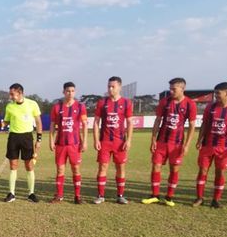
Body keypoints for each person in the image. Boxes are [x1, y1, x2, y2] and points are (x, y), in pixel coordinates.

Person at [141, 78, 197, 206]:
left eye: (174, 89)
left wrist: (187, 145)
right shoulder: (165, 102)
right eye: (170, 89)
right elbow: (157, 120)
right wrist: (153, 139)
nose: (171, 91)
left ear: (182, 89)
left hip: (177, 144)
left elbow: (192, 126)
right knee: (156, 166)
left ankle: (169, 197)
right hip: (161, 142)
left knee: (174, 169)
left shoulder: (190, 104)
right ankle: (155, 195)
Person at [194, 82, 227, 208]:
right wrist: (200, 140)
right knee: (203, 170)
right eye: (215, 93)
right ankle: (199, 198)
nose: (215, 96)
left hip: (224, 146)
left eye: (218, 93)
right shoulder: (210, 107)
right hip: (207, 145)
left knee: (220, 172)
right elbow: (204, 124)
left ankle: (216, 200)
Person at [93, 76, 133, 204]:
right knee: (102, 167)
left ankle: (120, 195)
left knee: (120, 168)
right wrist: (96, 140)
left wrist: (129, 140)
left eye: (113, 86)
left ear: (119, 87)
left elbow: (130, 123)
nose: (110, 89)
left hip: (120, 142)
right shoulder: (102, 103)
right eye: (108, 86)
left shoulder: (127, 103)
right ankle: (100, 195)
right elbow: (96, 122)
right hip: (105, 142)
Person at [3, 83, 42, 203]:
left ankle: (31, 193)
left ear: (20, 93)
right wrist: (0, 125)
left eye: (12, 94)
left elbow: (38, 122)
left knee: (29, 166)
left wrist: (39, 139)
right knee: (13, 166)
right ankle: (12, 193)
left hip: (27, 137)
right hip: (13, 137)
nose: (10, 96)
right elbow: (6, 122)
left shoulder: (32, 104)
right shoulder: (9, 106)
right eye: (10, 94)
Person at [49, 81, 87, 204]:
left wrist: (85, 141)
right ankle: (59, 195)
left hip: (74, 145)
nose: (70, 93)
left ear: (74, 92)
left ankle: (77, 196)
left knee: (76, 169)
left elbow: (85, 125)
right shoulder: (57, 107)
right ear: (63, 92)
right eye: (68, 91)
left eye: (72, 91)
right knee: (60, 170)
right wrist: (51, 140)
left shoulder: (80, 107)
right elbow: (52, 125)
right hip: (60, 144)